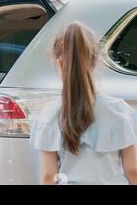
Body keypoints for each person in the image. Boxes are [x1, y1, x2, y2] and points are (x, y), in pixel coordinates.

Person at [30, 22, 137, 185]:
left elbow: (48, 176)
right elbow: (132, 170)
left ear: (59, 63)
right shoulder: (119, 110)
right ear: (95, 60)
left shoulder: (50, 114)